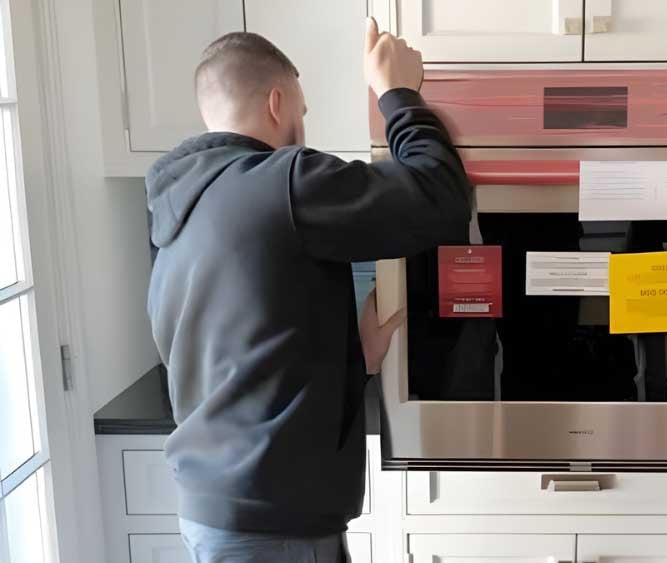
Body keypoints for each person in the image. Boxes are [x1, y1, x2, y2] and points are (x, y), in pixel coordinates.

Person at [145, 18, 471, 563]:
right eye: (301, 108)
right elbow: (439, 199)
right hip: (275, 521)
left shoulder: (177, 199)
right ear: (277, 103)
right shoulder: (282, 180)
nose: (301, 123)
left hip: (215, 507)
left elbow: (242, 340)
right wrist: (398, 93)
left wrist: (351, 356)